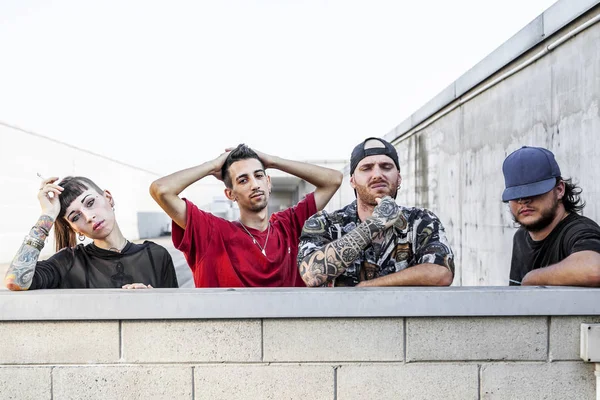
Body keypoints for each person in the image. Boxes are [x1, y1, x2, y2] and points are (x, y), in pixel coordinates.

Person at [149, 144, 343, 287]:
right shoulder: (211, 232)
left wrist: (272, 161)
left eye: (259, 176)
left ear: (268, 182)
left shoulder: (289, 224)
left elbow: (333, 180)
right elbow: (161, 190)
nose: (254, 185)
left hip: (287, 339)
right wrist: (212, 166)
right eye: (243, 180)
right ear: (230, 194)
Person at [297, 137, 454, 287]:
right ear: (352, 181)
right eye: (366, 168)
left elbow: (441, 272)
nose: (377, 175)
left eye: (386, 167)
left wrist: (368, 286)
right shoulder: (325, 223)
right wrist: (375, 223)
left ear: (398, 178)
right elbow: (311, 275)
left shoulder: (421, 221)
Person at [4, 176, 178, 290]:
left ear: (108, 198)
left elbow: (175, 320)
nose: (88, 217)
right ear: (73, 228)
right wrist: (47, 215)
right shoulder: (69, 262)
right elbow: (15, 280)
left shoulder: (156, 255)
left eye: (90, 202)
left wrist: (154, 302)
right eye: (75, 217)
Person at [502, 146, 600, 286]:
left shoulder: (578, 230)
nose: (523, 200)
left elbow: (594, 270)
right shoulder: (520, 237)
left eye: (533, 190)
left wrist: (532, 278)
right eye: (515, 194)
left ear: (559, 190)